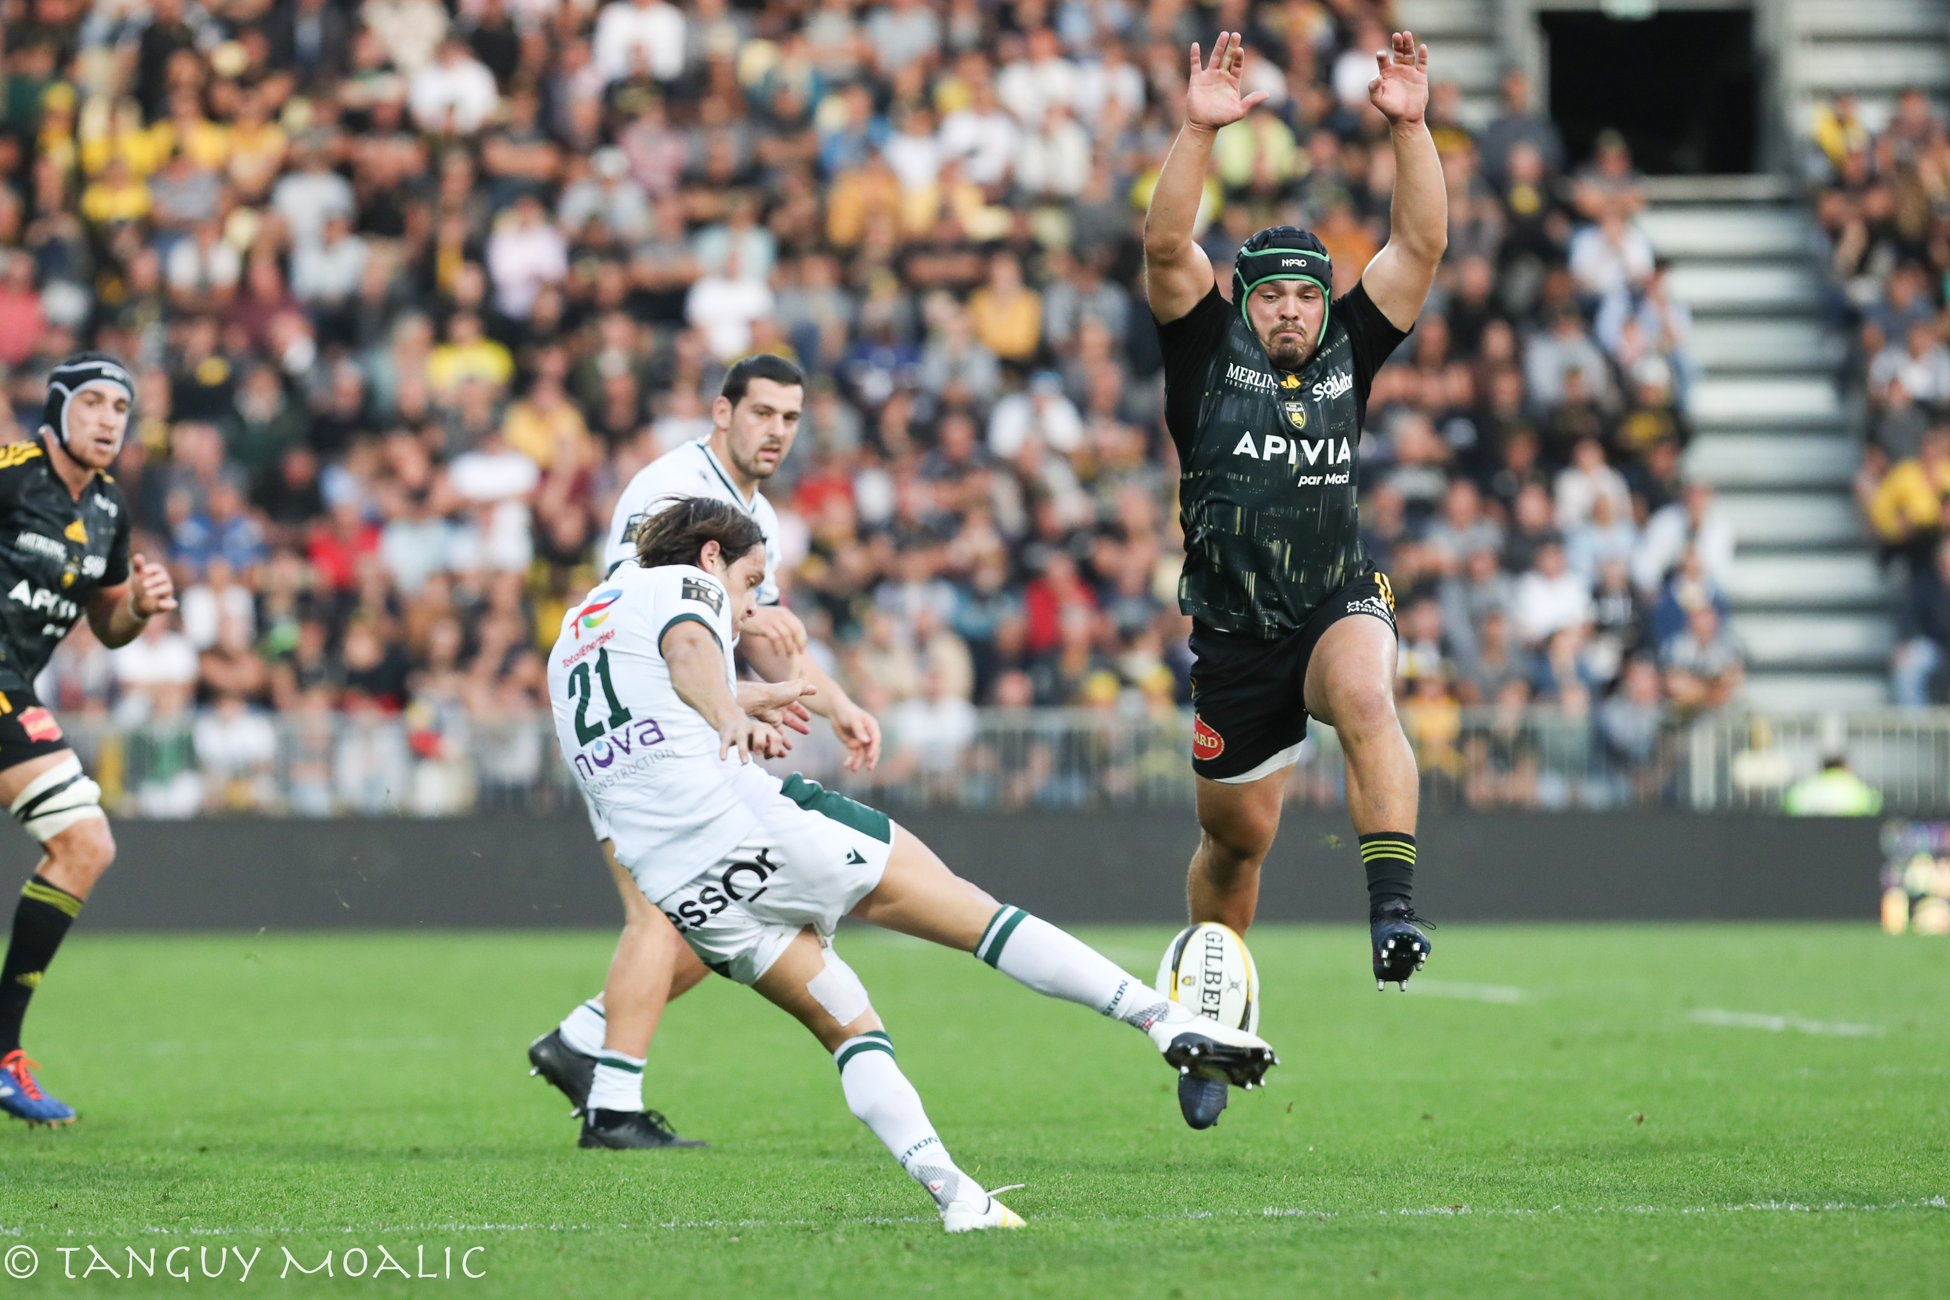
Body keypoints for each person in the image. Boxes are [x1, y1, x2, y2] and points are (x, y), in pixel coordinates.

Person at [548, 498, 1277, 1224]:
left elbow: (662, 690)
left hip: (685, 889)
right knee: (979, 919)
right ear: (712, 557)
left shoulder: (578, 631)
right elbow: (689, 655)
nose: (748, 606)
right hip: (754, 824)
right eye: (750, 582)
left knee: (850, 1030)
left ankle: (958, 1198)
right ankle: (1165, 1021)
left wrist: (752, 696)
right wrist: (731, 715)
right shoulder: (688, 586)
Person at [1140, 30, 1445, 1125]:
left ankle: (1393, 907)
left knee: (1368, 691)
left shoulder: (1353, 350)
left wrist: (1411, 127)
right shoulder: (1201, 348)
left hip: (1331, 600)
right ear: (1245, 296)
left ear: (1325, 303)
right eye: (1268, 294)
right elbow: (1167, 241)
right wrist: (1199, 129)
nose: (1287, 311)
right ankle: (1208, 1021)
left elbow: (1422, 239)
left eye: (1303, 297)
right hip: (1231, 633)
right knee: (1237, 840)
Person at [526, 354, 884, 1150]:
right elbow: (642, 605)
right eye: (762, 414)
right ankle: (611, 1104)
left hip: (702, 726)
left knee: (721, 901)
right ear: (722, 413)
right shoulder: (669, 490)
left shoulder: (763, 520)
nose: (777, 432)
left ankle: (587, 1040)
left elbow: (766, 635)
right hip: (643, 723)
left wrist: (839, 705)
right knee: (666, 906)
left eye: (791, 419)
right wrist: (746, 648)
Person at [0, 354, 180, 1125]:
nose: (110, 420)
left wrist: (137, 605)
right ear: (60, 408)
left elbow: (106, 626)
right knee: (85, 841)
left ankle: (3, 1055)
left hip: (13, 692)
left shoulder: (108, 507)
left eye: (122, 408)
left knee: (84, 845)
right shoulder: (10, 472)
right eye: (96, 403)